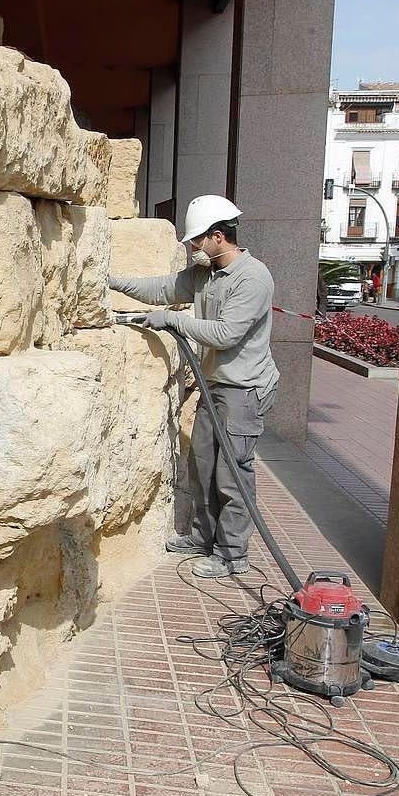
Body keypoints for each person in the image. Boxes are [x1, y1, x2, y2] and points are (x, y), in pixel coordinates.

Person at [107, 195, 279, 578]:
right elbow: (162, 288)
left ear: (218, 236)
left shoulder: (253, 278)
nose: (192, 247)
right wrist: (111, 281)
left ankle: (232, 554)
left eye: (196, 240)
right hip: (215, 385)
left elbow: (225, 334)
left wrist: (171, 320)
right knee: (202, 465)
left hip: (244, 391)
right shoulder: (207, 274)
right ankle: (203, 537)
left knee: (231, 473)